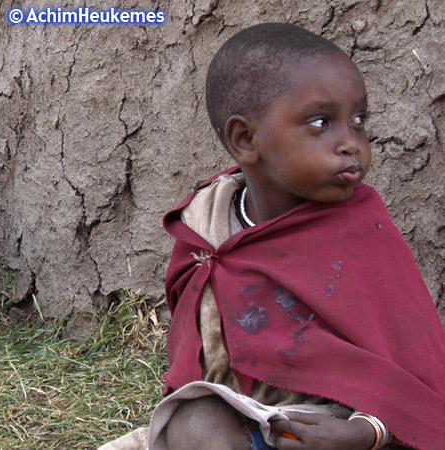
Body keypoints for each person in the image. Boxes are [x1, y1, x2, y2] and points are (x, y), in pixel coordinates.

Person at [150, 23, 445, 450]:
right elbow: (194, 355)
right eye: (321, 123)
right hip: (245, 417)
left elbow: (417, 372)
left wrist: (366, 431)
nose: (351, 143)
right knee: (192, 424)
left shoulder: (362, 232)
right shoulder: (207, 230)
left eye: (358, 120)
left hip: (342, 426)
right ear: (245, 139)